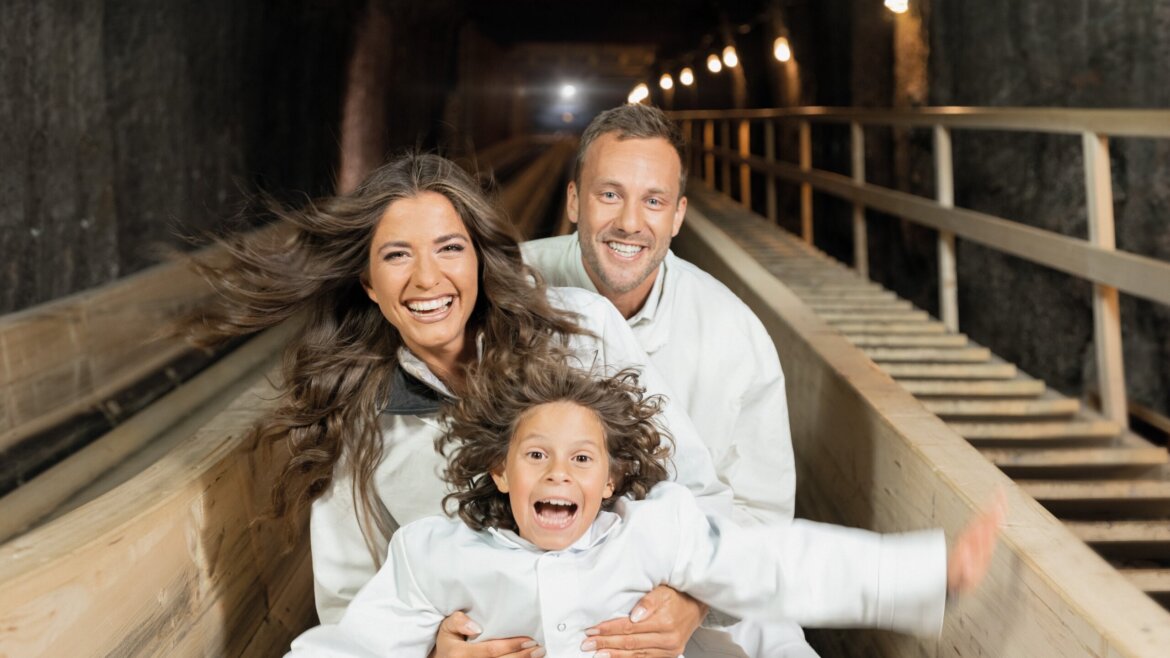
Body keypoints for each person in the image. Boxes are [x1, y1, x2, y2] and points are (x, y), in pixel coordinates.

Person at [184, 152, 737, 658]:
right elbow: (352, 609)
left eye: (449, 248)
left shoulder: (582, 331)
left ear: (479, 259)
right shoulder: (358, 419)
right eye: (397, 255)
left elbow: (700, 496)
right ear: (368, 282)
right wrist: (431, 655)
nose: (427, 278)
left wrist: (692, 603)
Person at [286, 363, 1003, 657]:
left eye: (582, 459)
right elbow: (352, 646)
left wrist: (923, 572)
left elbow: (775, 565)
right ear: (500, 471)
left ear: (611, 481)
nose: (558, 472)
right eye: (536, 455)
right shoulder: (435, 554)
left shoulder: (654, 531)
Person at [521, 104, 806, 656]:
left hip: (688, 596)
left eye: (653, 201)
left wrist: (695, 601)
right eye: (610, 194)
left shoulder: (733, 334)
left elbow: (761, 517)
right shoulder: (506, 292)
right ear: (574, 200)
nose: (630, 222)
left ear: (678, 216)